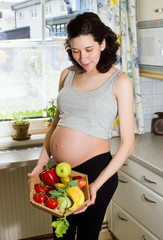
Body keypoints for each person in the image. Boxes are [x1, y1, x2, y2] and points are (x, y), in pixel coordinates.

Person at [28, 12, 134, 240]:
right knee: (61, 236)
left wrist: (96, 185)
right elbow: (57, 123)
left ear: (102, 43)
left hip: (95, 173)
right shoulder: (67, 75)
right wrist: (41, 162)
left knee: (87, 237)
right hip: (60, 172)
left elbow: (127, 144)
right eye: (75, 51)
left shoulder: (120, 81)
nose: (82, 58)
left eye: (89, 50)